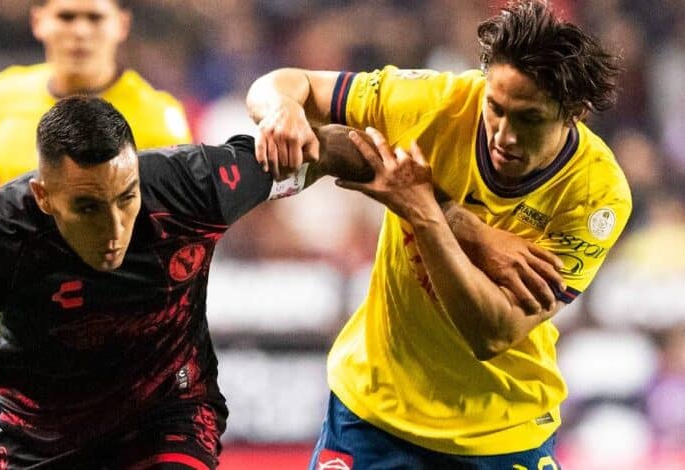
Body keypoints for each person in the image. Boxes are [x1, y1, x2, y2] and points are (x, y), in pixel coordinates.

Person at [246, 0, 632, 468]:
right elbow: (282, 84)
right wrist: (282, 110)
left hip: (501, 434)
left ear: (575, 112)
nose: (504, 136)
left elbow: (492, 332)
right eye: (495, 108)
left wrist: (425, 212)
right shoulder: (432, 103)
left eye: (529, 118)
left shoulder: (596, 193)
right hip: (374, 414)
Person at [0, 96, 366, 469]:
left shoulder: (193, 186)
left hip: (168, 420)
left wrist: (401, 183)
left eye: (126, 197)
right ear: (44, 197)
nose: (114, 229)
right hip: (41, 442)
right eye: (88, 208)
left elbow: (325, 151)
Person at [0, 1, 191, 468]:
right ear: (39, 21)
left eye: (93, 18)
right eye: (66, 16)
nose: (80, 31)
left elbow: (166, 255)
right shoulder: (5, 94)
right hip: (0, 341)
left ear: (121, 25)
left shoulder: (158, 121)